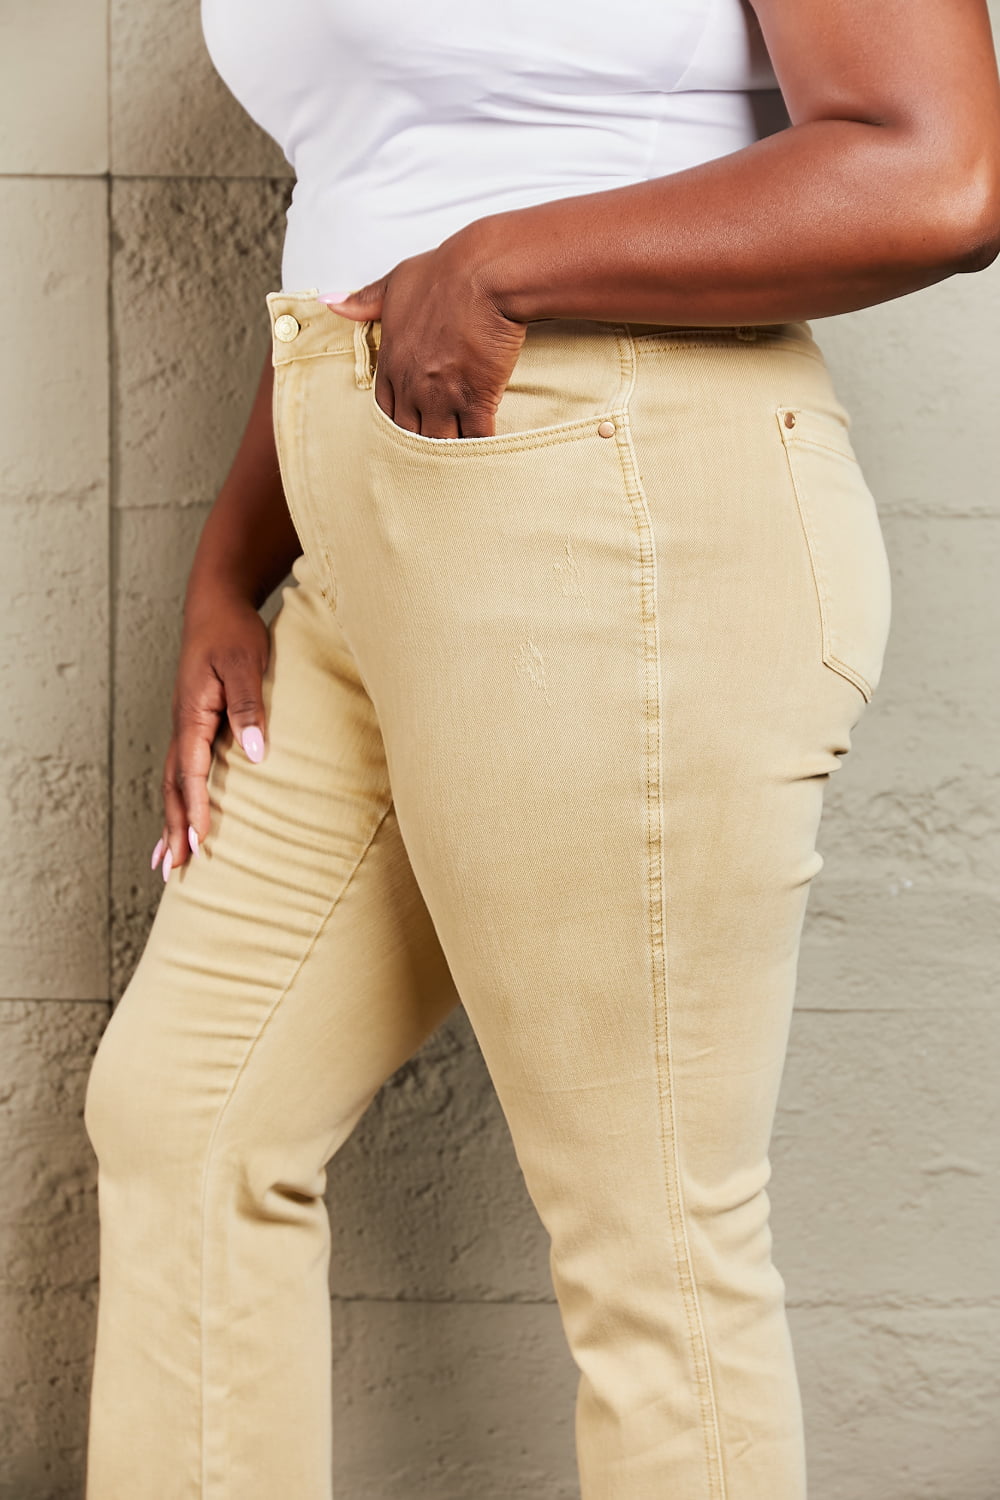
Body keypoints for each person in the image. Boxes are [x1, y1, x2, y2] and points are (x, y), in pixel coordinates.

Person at [81, 1, 1000, 1496]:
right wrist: (229, 568)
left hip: (616, 495)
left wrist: (503, 262)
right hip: (371, 521)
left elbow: (938, 168)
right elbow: (380, 211)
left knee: (652, 1245)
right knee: (186, 1116)